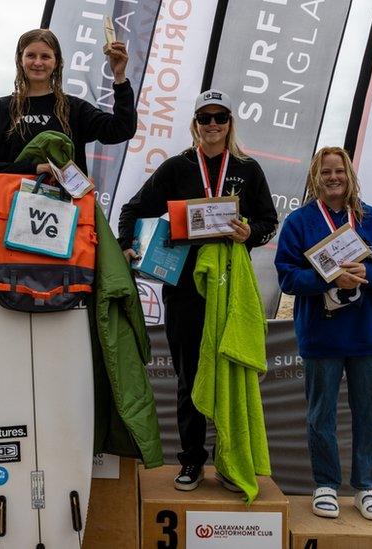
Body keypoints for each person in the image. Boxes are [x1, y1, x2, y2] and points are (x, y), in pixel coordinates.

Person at [118, 89, 279, 492]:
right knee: (189, 378)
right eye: (204, 118)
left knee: (231, 372)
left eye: (219, 117)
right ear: (195, 123)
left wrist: (250, 233)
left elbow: (267, 220)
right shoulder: (177, 168)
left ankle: (230, 460)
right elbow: (132, 209)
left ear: (229, 123)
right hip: (185, 289)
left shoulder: (247, 168)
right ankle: (191, 461)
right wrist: (126, 244)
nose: (212, 125)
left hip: (230, 289)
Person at [274, 146, 372, 521]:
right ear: (315, 177)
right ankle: (326, 485)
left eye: (340, 171)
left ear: (350, 175)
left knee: (368, 414)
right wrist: (325, 278)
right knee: (321, 415)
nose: (333, 178)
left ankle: (367, 487)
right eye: (326, 172)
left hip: (368, 335)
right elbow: (286, 278)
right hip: (321, 335)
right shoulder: (300, 222)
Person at [0, 28, 136, 186]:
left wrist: (119, 77)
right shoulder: (2, 108)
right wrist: (35, 169)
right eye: (31, 55)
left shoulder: (73, 108)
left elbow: (122, 129)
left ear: (56, 62)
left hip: (66, 211)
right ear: (20, 60)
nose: (37, 62)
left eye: (45, 56)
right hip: (11, 210)